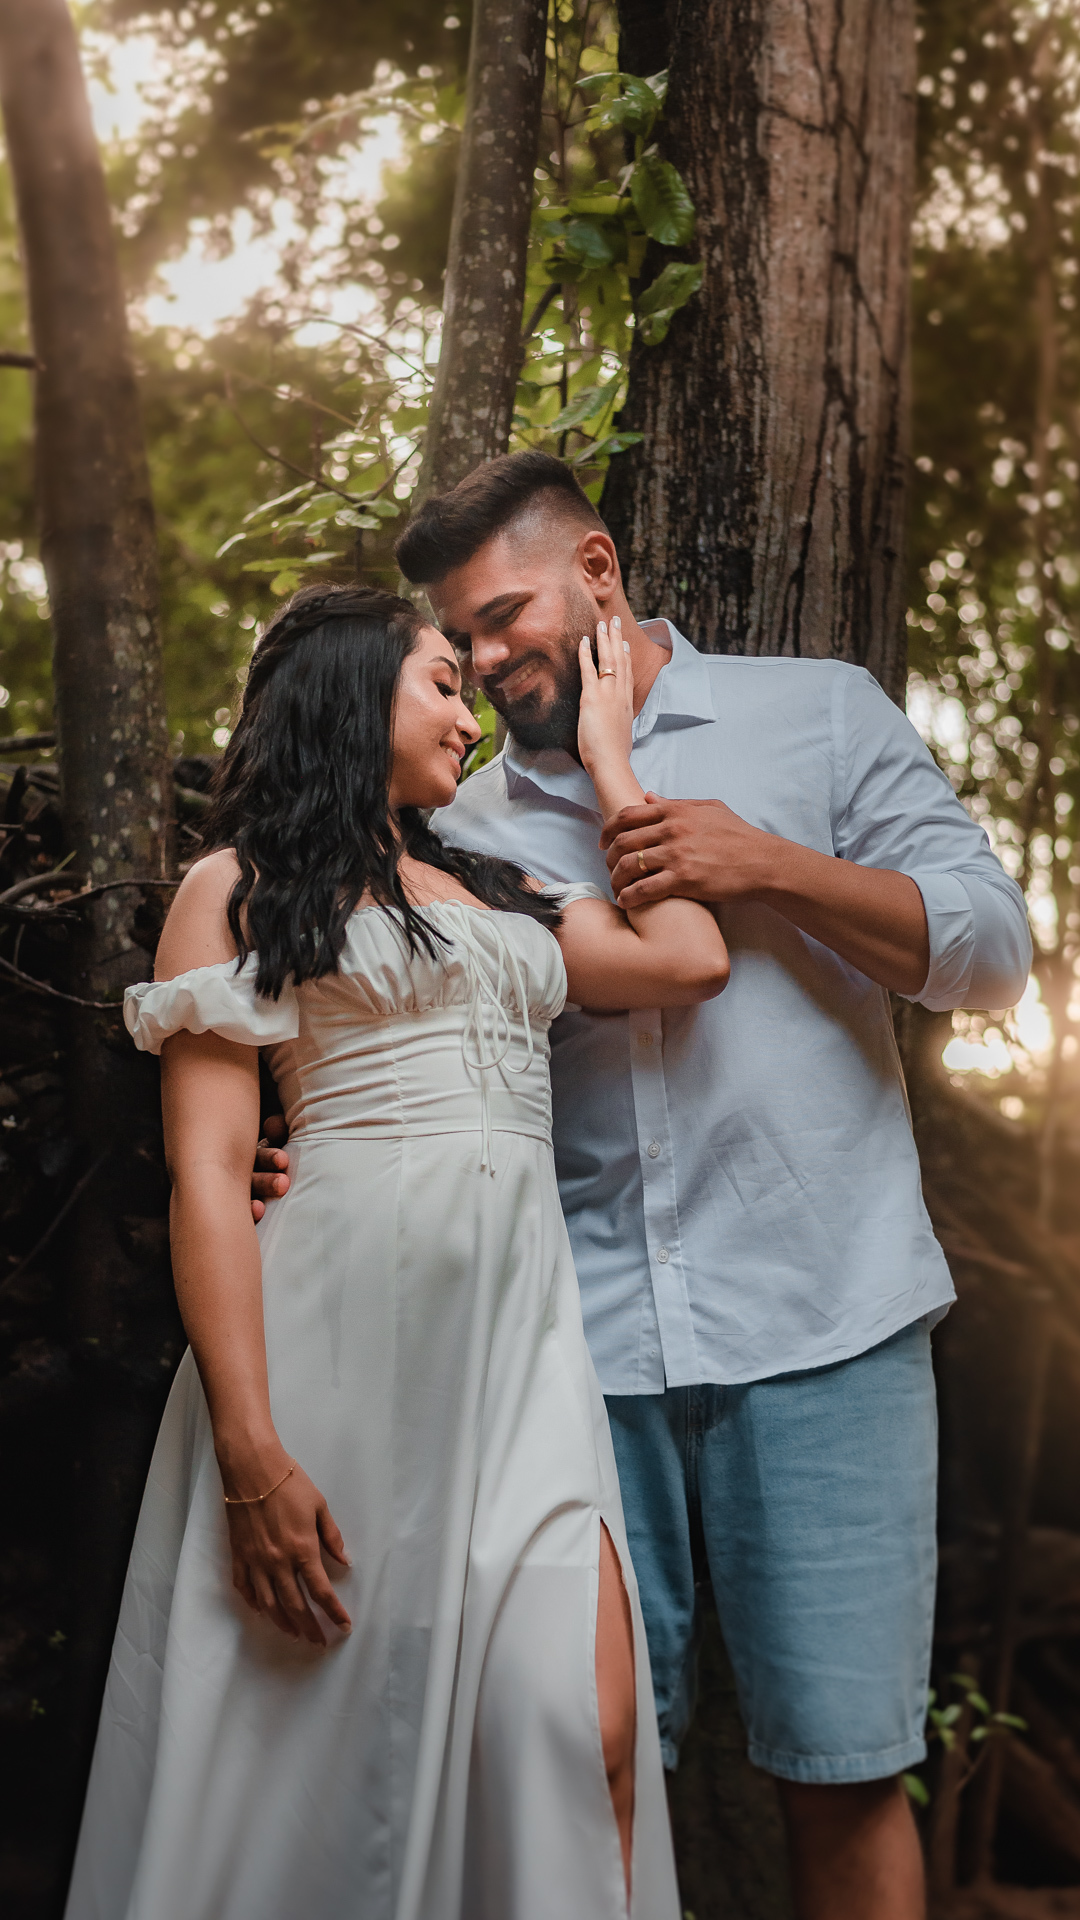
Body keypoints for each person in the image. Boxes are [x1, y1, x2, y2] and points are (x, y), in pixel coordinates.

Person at [259, 452, 1031, 1920]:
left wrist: (769, 863)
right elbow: (404, 1043)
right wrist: (319, 1157)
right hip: (575, 1351)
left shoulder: (819, 714)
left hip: (832, 1323)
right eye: (461, 640)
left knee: (849, 1772)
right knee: (573, 1759)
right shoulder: (459, 827)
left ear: (599, 571)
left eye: (505, 617)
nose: (487, 663)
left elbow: (994, 957)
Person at [66, 584, 732, 1920]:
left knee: (591, 1726)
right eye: (442, 684)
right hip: (332, 1344)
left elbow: (690, 956)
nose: (469, 719)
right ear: (350, 690)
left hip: (523, 1354)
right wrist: (250, 1457)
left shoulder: (499, 886)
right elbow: (211, 1177)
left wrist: (610, 763)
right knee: (316, 1749)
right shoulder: (235, 889)